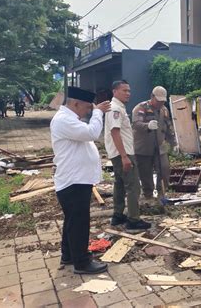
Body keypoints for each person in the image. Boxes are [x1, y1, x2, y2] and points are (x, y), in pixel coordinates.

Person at [50, 86, 111, 274]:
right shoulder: (63, 120)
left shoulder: (69, 120)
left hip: (76, 179)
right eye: (87, 108)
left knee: (73, 221)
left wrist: (95, 112)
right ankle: (82, 263)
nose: (88, 112)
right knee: (79, 223)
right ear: (75, 104)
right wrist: (98, 113)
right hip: (73, 181)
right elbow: (92, 133)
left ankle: (68, 255)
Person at [104, 80, 151, 232]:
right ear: (115, 91)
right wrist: (124, 156)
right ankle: (133, 219)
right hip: (122, 153)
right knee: (133, 186)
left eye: (129, 90)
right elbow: (115, 132)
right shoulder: (115, 109)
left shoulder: (118, 107)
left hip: (119, 152)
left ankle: (118, 215)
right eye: (124, 90)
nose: (128, 93)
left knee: (119, 184)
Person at [132, 86, 176, 213]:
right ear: (152, 97)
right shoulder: (141, 108)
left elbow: (168, 127)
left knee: (164, 168)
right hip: (143, 148)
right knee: (145, 174)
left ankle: (162, 193)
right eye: (159, 101)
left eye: (163, 101)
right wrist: (147, 126)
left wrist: (173, 143)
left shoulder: (164, 110)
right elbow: (136, 124)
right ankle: (148, 195)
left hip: (159, 147)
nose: (161, 103)